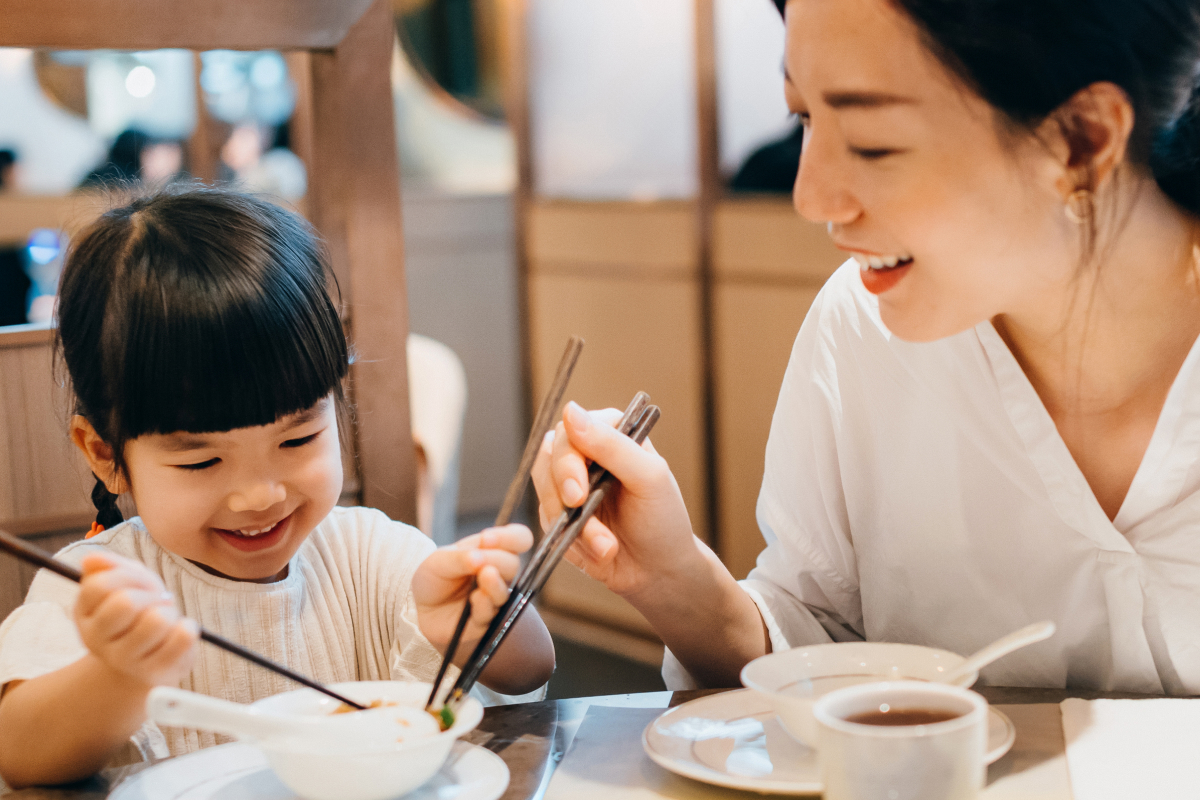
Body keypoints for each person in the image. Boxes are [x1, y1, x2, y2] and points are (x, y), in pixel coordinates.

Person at [534, 0, 1200, 696]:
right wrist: (671, 578)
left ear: (1082, 141)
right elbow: (815, 647)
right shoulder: (861, 325)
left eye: (873, 142)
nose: (810, 197)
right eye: (805, 119)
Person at [0, 186, 554, 788]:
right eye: (201, 462)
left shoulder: (367, 553)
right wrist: (118, 675)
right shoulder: (96, 591)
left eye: (296, 441)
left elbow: (531, 670)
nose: (259, 495)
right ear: (106, 456)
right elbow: (18, 750)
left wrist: (482, 624)